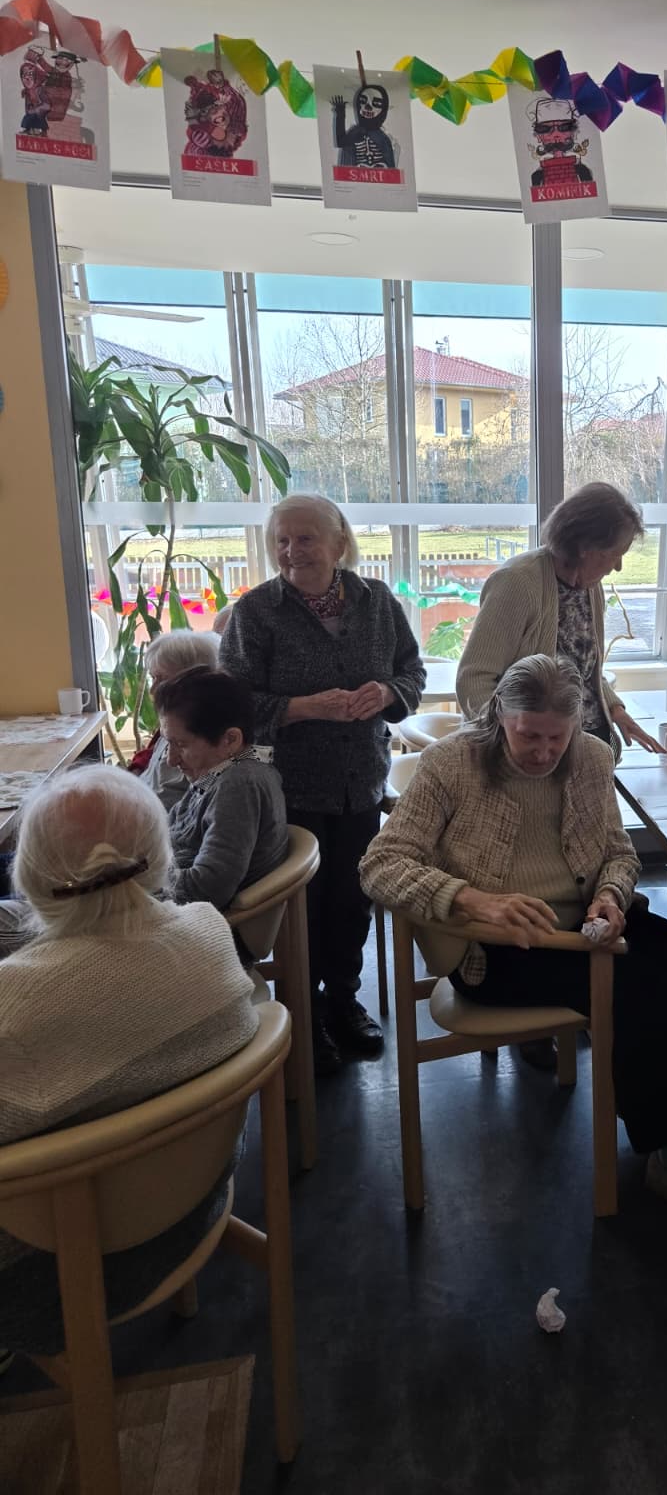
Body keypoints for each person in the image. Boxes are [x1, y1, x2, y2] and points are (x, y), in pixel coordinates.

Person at [360, 654, 667, 1217]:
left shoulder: (591, 757)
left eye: (557, 738)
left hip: (584, 928)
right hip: (495, 949)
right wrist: (472, 899)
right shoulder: (452, 763)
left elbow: (618, 853)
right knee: (637, 993)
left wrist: (611, 895)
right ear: (501, 713)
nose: (545, 753)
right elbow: (380, 865)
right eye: (529, 736)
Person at [0, 767, 258, 1358]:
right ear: (162, 858)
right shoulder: (210, 934)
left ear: (28, 878)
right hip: (193, 1209)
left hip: (54, 1274)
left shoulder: (16, 1007)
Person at [220, 494, 424, 1075]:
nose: (292, 551)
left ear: (340, 543)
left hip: (361, 780)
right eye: (282, 540)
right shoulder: (256, 611)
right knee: (302, 909)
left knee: (351, 900)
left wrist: (386, 693)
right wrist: (304, 707)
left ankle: (343, 1000)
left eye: (306, 538)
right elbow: (231, 704)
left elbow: (412, 671)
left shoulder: (377, 602)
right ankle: (303, 1014)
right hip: (289, 789)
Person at [456, 482, 663, 754]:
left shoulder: (590, 587)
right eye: (614, 555)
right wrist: (517, 741)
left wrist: (615, 709)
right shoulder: (516, 583)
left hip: (585, 744)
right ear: (585, 546)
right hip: (534, 753)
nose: (618, 567)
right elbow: (473, 680)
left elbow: (582, 671)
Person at [155, 667, 289, 912]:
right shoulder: (217, 772)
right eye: (168, 743)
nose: (171, 760)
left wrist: (139, 883)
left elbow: (208, 888)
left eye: (181, 744)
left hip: (197, 922)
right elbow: (169, 828)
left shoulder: (239, 785)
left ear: (230, 740)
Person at [129, 629, 222, 811]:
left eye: (162, 679)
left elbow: (175, 803)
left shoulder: (201, 738)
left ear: (195, 680)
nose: (153, 690)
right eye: (153, 678)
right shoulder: (174, 721)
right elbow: (149, 758)